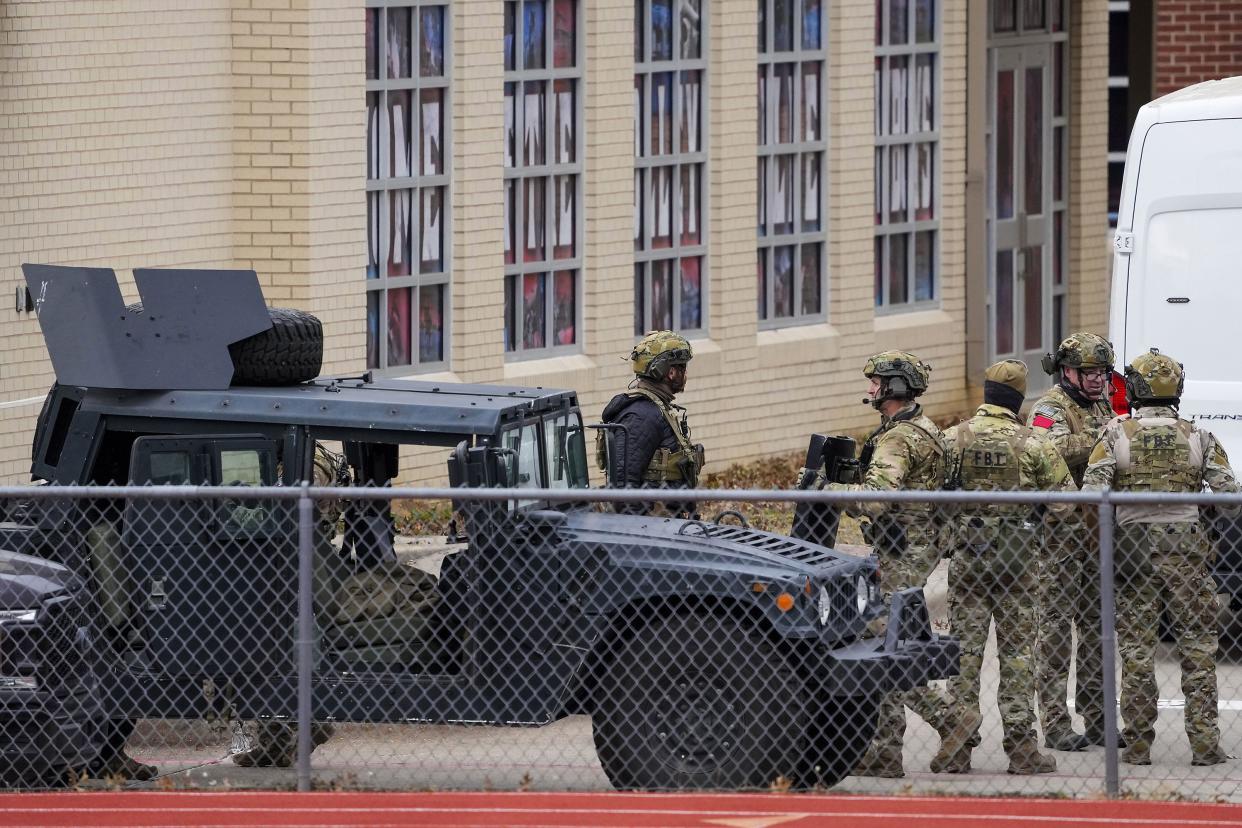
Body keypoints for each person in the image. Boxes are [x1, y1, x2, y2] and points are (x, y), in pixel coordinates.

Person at [826, 350, 981, 778]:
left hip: (902, 551)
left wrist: (830, 490)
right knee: (887, 645)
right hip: (916, 545)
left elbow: (876, 497)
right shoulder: (921, 426)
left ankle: (949, 718)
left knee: (881, 645)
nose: (871, 389)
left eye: (877, 382)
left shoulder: (897, 438)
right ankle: (884, 750)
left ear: (895, 387)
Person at [1083, 348, 1235, 766]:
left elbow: (1092, 490)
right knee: (1199, 647)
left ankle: (1136, 745)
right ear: (1177, 389)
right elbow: (1229, 495)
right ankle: (1205, 745)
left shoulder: (1116, 435)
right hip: (1186, 544)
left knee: (1135, 650)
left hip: (1132, 547)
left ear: (1133, 388)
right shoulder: (1199, 436)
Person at [936, 360, 1074, 775]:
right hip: (1020, 567)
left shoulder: (953, 439)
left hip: (968, 563)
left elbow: (931, 495)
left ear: (986, 394)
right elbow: (1066, 503)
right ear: (1018, 400)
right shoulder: (1034, 444)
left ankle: (957, 749)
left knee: (963, 656)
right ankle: (1022, 750)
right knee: (1017, 658)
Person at [1028, 332, 1115, 751]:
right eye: (1090, 373)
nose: (1099, 380)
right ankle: (1056, 724)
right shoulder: (1049, 407)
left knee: (1098, 630)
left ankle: (1098, 720)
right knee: (1057, 633)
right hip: (1059, 536)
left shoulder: (1100, 406)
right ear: (1067, 372)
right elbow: (1050, 449)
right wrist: (1107, 435)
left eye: (1102, 372)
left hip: (1096, 533)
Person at [598, 330, 703, 516]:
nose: (685, 374)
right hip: (655, 531)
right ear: (671, 372)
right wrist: (642, 535)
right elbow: (625, 487)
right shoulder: (642, 417)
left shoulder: (656, 409)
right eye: (682, 368)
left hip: (668, 526)